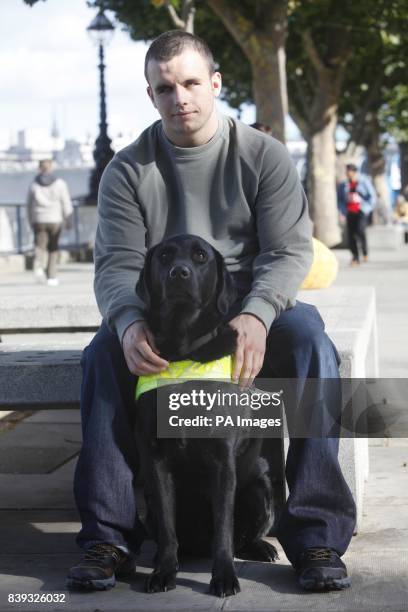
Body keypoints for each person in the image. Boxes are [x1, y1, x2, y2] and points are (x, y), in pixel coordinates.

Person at [67, 30, 356, 593]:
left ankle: (316, 532)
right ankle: (108, 536)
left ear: (216, 83)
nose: (181, 98)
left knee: (310, 341)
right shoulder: (128, 171)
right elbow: (118, 265)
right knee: (102, 355)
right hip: (167, 308)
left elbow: (289, 250)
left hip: (247, 297)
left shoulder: (262, 155)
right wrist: (127, 322)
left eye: (192, 83)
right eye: (165, 88)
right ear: (151, 96)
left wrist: (259, 312)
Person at [26, 159, 73, 286]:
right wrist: (68, 220)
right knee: (53, 248)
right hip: (55, 219)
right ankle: (51, 277)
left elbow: (29, 206)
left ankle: (39, 267)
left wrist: (30, 221)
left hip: (39, 219)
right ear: (51, 168)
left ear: (39, 169)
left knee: (40, 246)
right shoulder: (60, 184)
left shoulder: (34, 185)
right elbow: (66, 202)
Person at [337, 163, 376, 266]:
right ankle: (355, 257)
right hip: (349, 211)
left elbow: (372, 196)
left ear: (354, 172)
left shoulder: (363, 182)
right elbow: (340, 200)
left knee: (360, 231)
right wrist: (342, 211)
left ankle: (365, 252)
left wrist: (367, 208)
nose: (347, 174)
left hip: (361, 210)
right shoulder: (343, 185)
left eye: (349, 171)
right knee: (351, 235)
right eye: (346, 171)